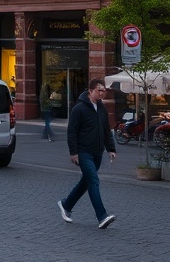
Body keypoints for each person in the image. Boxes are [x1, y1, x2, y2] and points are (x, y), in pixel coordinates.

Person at [58, 78, 117, 229]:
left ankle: (66, 204)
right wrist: (74, 152)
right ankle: (102, 216)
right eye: (99, 90)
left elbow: (106, 130)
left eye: (103, 90)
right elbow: (72, 132)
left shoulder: (102, 109)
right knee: (94, 181)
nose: (102, 93)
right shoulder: (79, 109)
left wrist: (111, 149)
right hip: (84, 152)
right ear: (90, 91)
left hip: (97, 152)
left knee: (86, 182)